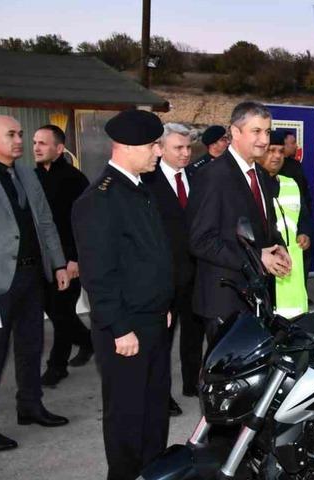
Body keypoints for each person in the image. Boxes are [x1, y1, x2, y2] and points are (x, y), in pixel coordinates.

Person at [72, 109, 174, 479]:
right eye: (153, 145)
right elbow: (99, 274)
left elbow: (149, 255)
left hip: (150, 319)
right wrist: (118, 328)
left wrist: (161, 305)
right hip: (126, 328)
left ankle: (151, 471)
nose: (158, 152)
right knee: (127, 415)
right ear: (126, 147)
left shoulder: (138, 189)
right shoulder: (99, 199)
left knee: (153, 409)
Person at [0, 115, 70, 452]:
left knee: (30, 344)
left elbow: (45, 220)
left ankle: (30, 405)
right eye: (11, 134)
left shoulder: (25, 173)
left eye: (21, 134)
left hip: (31, 276)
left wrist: (59, 263)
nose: (20, 140)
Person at [187, 102, 291, 341]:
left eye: (267, 131)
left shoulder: (260, 174)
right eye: (256, 131)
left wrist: (279, 245)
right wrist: (257, 257)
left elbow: (266, 224)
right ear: (235, 132)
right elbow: (201, 240)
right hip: (224, 300)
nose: (264, 139)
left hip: (255, 296)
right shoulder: (212, 176)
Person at [142, 123, 205, 408]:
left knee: (194, 333)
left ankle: (193, 382)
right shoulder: (147, 182)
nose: (185, 154)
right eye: (178, 148)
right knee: (161, 340)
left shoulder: (197, 176)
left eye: (188, 148)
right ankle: (160, 394)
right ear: (160, 149)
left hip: (196, 272)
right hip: (164, 276)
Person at [33, 124, 92, 387]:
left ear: (59, 149)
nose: (36, 147)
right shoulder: (30, 178)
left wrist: (75, 260)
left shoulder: (75, 180)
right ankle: (89, 341)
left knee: (61, 312)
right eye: (34, 142)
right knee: (57, 312)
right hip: (42, 262)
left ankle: (57, 367)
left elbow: (84, 225)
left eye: (43, 143)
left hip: (68, 261)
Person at [267, 130, 313, 318]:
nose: (277, 156)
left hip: (293, 264)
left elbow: (303, 216)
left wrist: (304, 233)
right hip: (267, 265)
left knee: (294, 319)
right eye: (271, 150)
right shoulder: (251, 186)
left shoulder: (290, 183)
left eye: (280, 151)